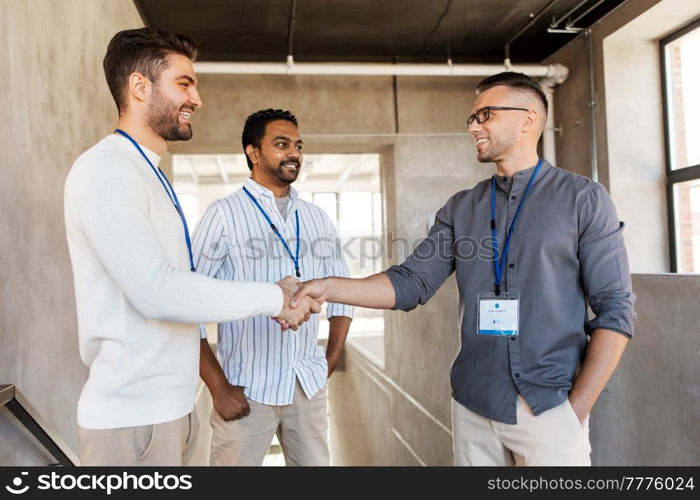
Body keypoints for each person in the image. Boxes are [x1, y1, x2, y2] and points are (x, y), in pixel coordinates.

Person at [290, 72, 636, 466]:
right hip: (474, 404)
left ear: (528, 120)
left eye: (485, 114)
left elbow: (616, 310)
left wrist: (575, 412)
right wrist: (326, 287)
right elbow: (410, 283)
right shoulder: (461, 207)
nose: (473, 126)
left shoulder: (583, 199)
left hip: (550, 407)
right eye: (472, 118)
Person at [64, 29, 318, 466]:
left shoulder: (149, 173)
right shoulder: (106, 170)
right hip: (133, 423)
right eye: (184, 83)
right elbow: (157, 292)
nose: (197, 98)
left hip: (174, 413)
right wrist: (273, 298)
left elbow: (184, 287)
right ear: (140, 87)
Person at [193, 108, 353, 466]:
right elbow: (190, 306)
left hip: (306, 387)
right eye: (281, 144)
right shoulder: (223, 215)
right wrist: (218, 388)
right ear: (253, 152)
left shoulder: (316, 217)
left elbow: (343, 296)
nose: (294, 153)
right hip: (246, 390)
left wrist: (329, 360)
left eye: (298, 145)